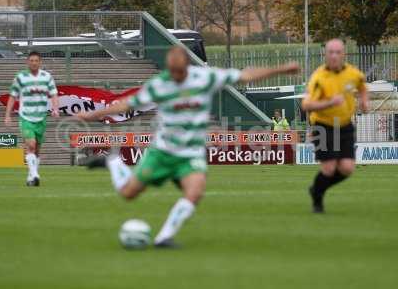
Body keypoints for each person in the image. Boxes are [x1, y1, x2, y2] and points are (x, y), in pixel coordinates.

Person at [77, 46, 299, 248]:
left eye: (179, 71)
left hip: (190, 153)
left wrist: (281, 69)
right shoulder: (160, 84)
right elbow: (127, 104)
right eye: (172, 72)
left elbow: (245, 74)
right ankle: (113, 161)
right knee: (128, 193)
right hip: (162, 152)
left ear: (186, 66)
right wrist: (94, 114)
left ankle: (164, 237)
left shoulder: (205, 77)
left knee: (195, 192)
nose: (176, 76)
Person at [302, 39, 369, 213]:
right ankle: (317, 199)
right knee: (329, 168)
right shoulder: (319, 78)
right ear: (325, 55)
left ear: (344, 54)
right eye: (331, 52)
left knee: (347, 168)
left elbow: (362, 86)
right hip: (322, 125)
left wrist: (364, 101)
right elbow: (307, 105)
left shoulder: (353, 73)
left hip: (345, 125)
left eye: (338, 52)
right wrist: (329, 103)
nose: (334, 56)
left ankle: (316, 189)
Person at [4, 51, 59, 186]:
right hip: (26, 117)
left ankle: (31, 176)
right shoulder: (20, 77)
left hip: (41, 117)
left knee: (37, 150)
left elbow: (54, 94)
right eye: (31, 60)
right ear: (27, 62)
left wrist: (55, 109)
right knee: (31, 145)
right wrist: (7, 115)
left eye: (36, 60)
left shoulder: (47, 77)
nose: (34, 63)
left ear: (40, 62)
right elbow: (12, 96)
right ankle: (35, 174)